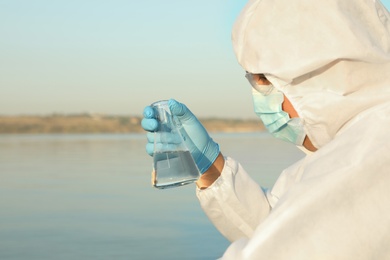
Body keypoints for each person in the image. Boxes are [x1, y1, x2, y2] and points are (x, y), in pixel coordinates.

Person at [142, 0, 390, 258]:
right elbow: (275, 230)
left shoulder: (366, 161)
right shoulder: (341, 155)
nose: (259, 98)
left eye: (264, 80)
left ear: (321, 72)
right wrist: (211, 169)